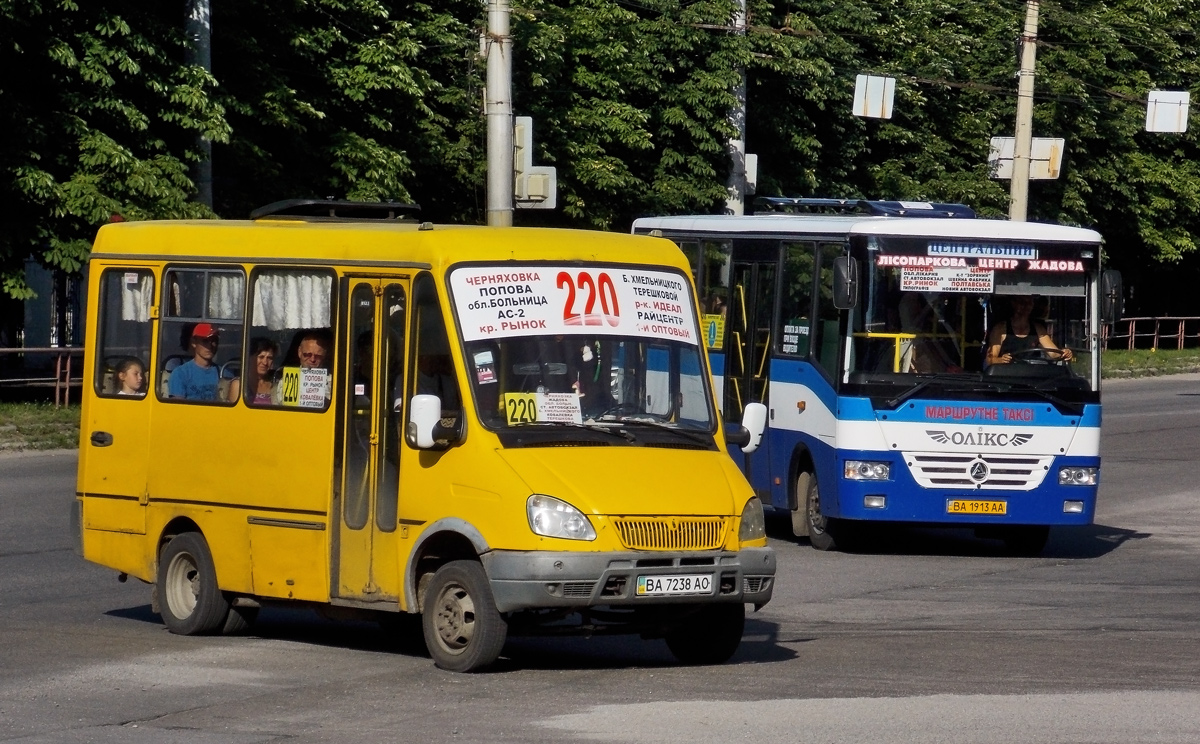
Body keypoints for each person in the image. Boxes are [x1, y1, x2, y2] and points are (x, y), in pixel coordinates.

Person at [986, 295, 1073, 365]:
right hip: (1006, 377)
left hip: (1031, 376)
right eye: (1022, 302)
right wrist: (1001, 360)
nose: (1026, 305)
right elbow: (990, 359)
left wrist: (1064, 353)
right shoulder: (1000, 329)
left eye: (1029, 302)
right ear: (1013, 303)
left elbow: (1053, 353)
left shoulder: (1038, 329)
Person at [168, 323, 221, 400]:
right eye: (205, 341)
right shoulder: (180, 373)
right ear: (194, 343)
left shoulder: (224, 373)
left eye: (214, 341)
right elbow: (177, 408)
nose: (210, 345)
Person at [244, 337, 278, 405]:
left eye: (269, 358)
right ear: (250, 358)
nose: (265, 362)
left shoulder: (276, 387)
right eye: (261, 357)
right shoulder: (240, 385)